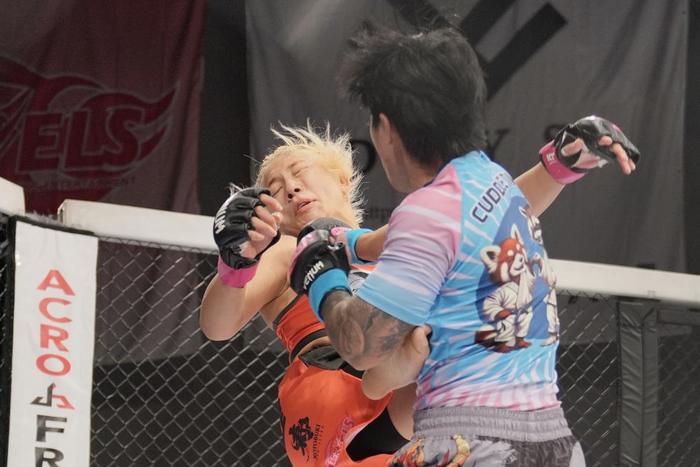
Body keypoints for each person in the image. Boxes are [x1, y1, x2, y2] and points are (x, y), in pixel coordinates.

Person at [288, 26, 638, 466]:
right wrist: (344, 243)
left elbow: (362, 346)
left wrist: (321, 275)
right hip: (555, 444)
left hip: (472, 445)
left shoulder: (427, 213)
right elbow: (440, 231)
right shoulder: (488, 180)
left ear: (387, 128)